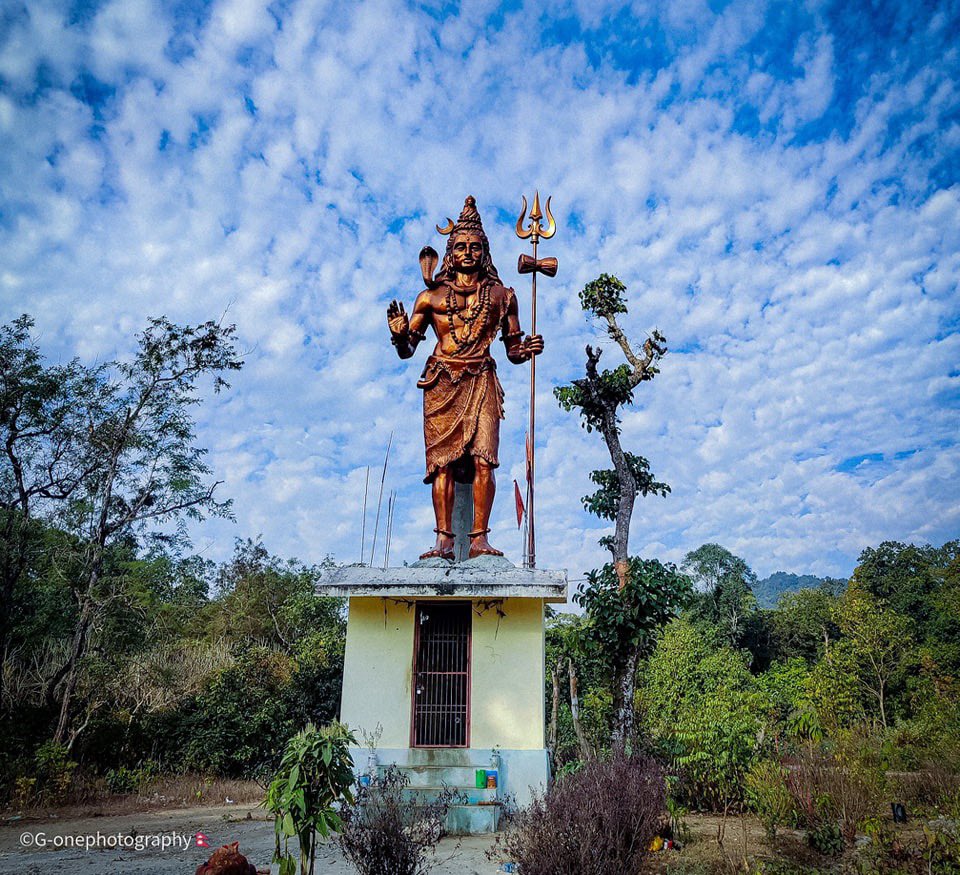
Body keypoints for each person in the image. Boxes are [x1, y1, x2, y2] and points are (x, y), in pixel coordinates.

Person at [387, 196, 543, 559]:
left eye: (475, 246)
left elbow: (512, 350)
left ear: (484, 252)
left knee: (484, 459)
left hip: (482, 379)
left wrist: (528, 348)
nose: (468, 252)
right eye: (460, 246)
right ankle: (443, 539)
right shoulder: (430, 298)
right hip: (441, 381)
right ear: (450, 253)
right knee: (441, 463)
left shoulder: (504, 297)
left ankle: (478, 539)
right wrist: (398, 334)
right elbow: (408, 349)